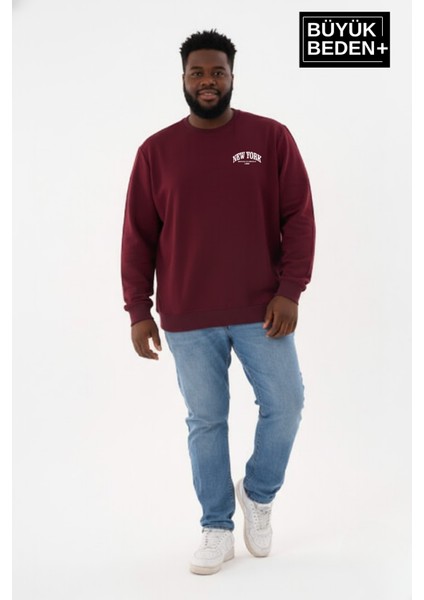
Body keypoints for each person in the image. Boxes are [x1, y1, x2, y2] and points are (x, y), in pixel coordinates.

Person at [121, 29, 316, 575]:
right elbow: (138, 236)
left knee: (287, 404)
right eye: (197, 73)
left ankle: (258, 492)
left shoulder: (271, 137)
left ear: (232, 76)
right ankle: (216, 527)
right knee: (206, 422)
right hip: (187, 314)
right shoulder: (155, 152)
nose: (208, 81)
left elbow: (299, 216)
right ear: (183, 78)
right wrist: (138, 310)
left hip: (262, 310)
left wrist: (290, 290)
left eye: (217, 72)